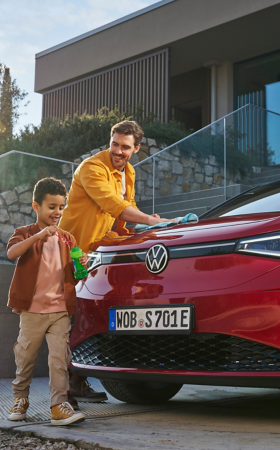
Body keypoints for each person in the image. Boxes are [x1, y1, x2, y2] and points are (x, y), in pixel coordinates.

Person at [58, 120, 174, 402]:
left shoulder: (128, 172)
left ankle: (75, 382)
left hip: (98, 253)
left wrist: (147, 227)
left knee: (85, 315)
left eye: (125, 147)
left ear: (136, 149)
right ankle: (62, 389)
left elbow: (121, 218)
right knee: (66, 317)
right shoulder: (92, 168)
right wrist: (146, 219)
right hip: (69, 252)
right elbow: (113, 205)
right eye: (114, 144)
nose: (118, 151)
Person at [5, 177, 88, 426]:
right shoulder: (25, 233)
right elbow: (12, 253)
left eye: (61, 207)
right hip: (32, 310)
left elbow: (71, 275)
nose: (57, 212)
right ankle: (20, 399)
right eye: (51, 207)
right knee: (26, 357)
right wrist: (39, 235)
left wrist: (81, 265)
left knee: (59, 358)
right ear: (36, 206)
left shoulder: (68, 238)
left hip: (60, 309)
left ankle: (59, 405)